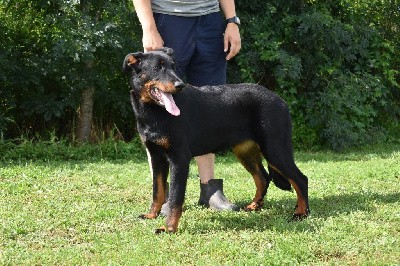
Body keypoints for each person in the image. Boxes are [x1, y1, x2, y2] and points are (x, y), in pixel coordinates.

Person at [132, 0, 241, 212]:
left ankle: (210, 190)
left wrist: (232, 21)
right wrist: (149, 27)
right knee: (159, 106)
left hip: (210, 21)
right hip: (168, 20)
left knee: (209, 106)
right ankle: (163, 198)